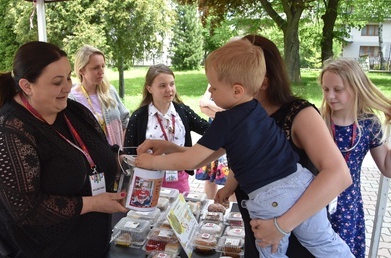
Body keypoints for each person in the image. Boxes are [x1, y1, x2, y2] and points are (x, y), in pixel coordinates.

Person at [135, 38, 354, 257]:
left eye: (214, 86)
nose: (209, 91)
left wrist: (152, 161)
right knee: (327, 243)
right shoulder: (256, 112)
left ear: (260, 84)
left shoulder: (241, 118)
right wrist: (168, 147)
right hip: (298, 185)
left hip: (274, 208)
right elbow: (220, 157)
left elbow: (339, 175)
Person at [0, 41, 128, 258]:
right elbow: (27, 211)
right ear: (27, 86)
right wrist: (93, 203)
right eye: (57, 82)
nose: (67, 87)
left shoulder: (72, 111)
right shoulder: (7, 133)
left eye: (68, 77)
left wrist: (127, 160)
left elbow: (96, 152)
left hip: (91, 245)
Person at [319, 58, 391, 258]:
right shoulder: (317, 121)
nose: (330, 96)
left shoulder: (368, 124)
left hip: (348, 208)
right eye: (326, 89)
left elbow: (387, 167)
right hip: (315, 203)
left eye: (338, 89)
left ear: (356, 88)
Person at [123, 64, 210, 194]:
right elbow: (129, 153)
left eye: (172, 84)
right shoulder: (139, 117)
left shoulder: (182, 111)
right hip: (148, 179)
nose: (169, 89)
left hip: (179, 177)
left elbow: (209, 131)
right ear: (150, 88)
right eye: (162, 86)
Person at [69, 45, 129, 148]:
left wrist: (120, 150)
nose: (101, 71)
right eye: (95, 68)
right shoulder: (71, 99)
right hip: (92, 161)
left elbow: (125, 121)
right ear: (81, 70)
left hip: (116, 158)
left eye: (103, 66)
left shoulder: (109, 91)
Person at [197, 84, 228, 199]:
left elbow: (235, 113)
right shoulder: (213, 82)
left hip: (229, 138)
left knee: (231, 181)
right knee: (210, 178)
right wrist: (225, 112)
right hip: (213, 137)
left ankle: (232, 213)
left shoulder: (236, 80)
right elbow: (202, 105)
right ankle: (209, 210)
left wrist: (210, 105)